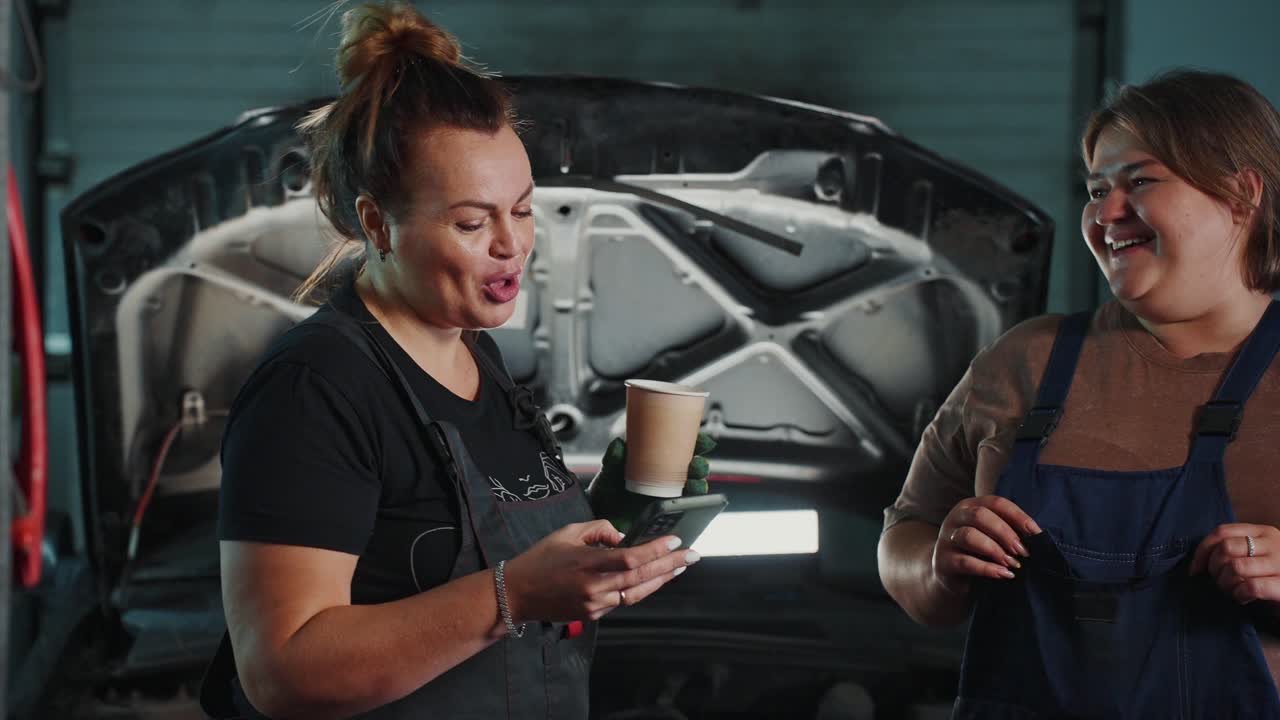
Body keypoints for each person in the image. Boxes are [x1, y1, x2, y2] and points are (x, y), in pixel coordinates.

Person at [199, 4, 702, 718]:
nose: (512, 244)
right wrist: (516, 592)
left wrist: (611, 530)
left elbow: (511, 624)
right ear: (377, 223)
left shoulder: (482, 362)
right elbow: (284, 670)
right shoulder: (315, 389)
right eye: (472, 221)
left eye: (522, 210)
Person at [877, 69, 1280, 717]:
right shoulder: (1024, 361)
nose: (1106, 213)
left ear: (1241, 192)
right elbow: (903, 533)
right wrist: (934, 562)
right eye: (1097, 189)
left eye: (1140, 181)